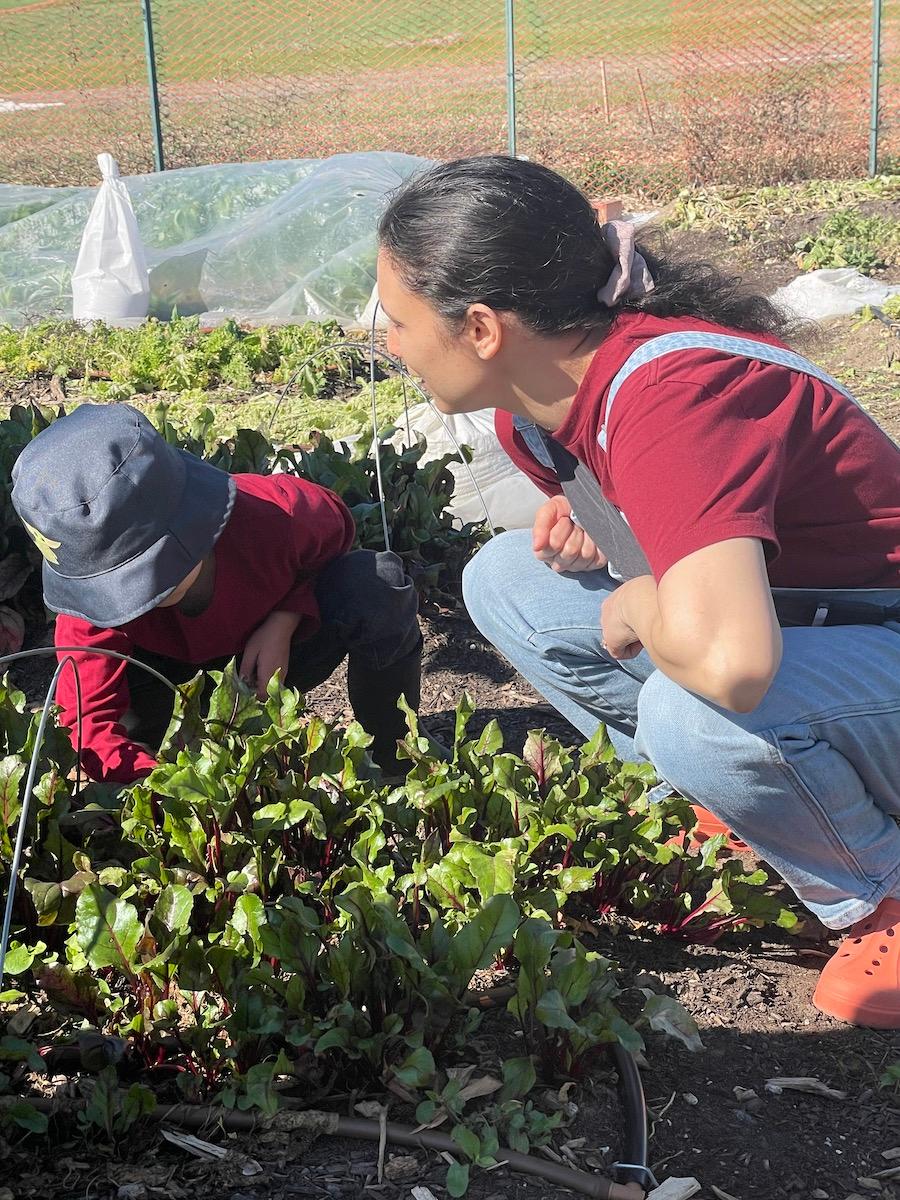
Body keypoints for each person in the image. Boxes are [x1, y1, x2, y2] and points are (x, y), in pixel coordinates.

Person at [376, 155, 900, 1029]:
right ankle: (744, 812)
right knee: (505, 579)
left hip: (871, 636)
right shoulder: (536, 413)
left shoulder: (673, 391)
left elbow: (734, 664)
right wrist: (613, 526)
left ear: (480, 328)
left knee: (696, 709)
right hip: (827, 631)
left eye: (397, 321)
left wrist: (637, 602)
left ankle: (881, 891)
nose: (388, 344)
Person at [10, 402, 423, 781]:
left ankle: (392, 754)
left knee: (376, 582)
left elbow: (337, 529)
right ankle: (163, 754)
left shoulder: (274, 514)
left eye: (136, 578)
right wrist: (170, 787)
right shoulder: (87, 613)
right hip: (166, 688)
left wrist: (287, 615)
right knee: (129, 751)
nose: (131, 601)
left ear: (189, 521)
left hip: (261, 668)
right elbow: (88, 723)